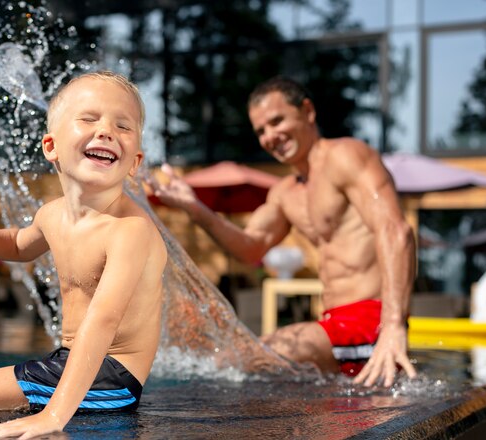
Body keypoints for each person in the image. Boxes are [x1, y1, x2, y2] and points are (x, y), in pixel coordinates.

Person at [0, 71, 167, 438]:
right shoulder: (52, 214)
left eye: (123, 126)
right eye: (88, 118)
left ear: (135, 162)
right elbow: (19, 244)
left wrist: (52, 417)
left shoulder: (131, 230)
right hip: (70, 364)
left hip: (112, 377)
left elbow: (103, 322)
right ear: (51, 147)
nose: (106, 131)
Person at [150, 75, 416, 387]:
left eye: (277, 121)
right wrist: (196, 209)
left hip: (371, 320)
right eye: (261, 130)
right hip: (334, 325)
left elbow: (396, 231)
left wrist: (393, 325)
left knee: (244, 360)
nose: (270, 136)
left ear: (307, 111)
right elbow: (251, 247)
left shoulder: (346, 156)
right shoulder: (285, 192)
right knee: (240, 358)